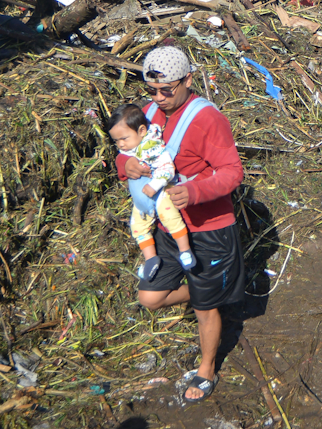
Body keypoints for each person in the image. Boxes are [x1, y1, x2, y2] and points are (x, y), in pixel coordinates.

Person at [117, 46, 245, 404]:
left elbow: (233, 172)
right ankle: (211, 287)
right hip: (168, 227)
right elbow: (126, 150)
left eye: (166, 90)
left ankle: (207, 368)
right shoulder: (147, 115)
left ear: (188, 80)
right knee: (150, 296)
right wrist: (122, 165)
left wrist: (195, 191)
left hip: (208, 227)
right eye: (152, 91)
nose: (159, 99)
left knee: (206, 308)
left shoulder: (208, 119)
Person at [108, 104, 194, 281]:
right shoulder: (129, 150)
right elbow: (122, 162)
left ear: (141, 131)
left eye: (123, 138)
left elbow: (167, 169)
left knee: (170, 218)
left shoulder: (152, 147)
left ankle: (185, 250)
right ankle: (150, 258)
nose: (120, 144)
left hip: (161, 192)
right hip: (142, 199)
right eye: (116, 141)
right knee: (137, 227)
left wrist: (154, 185)